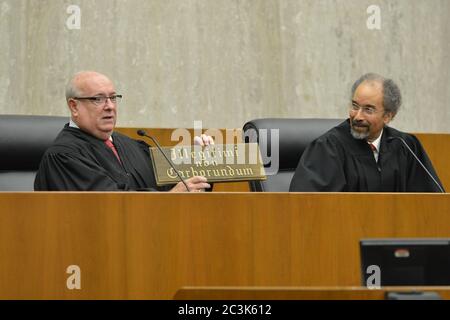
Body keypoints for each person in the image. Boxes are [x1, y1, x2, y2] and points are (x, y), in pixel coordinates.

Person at [34, 71, 213, 192]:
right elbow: (110, 206)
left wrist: (197, 162)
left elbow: (171, 185)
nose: (110, 106)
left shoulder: (132, 145)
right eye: (98, 99)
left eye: (113, 97)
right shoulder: (64, 157)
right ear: (74, 106)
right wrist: (169, 199)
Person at [289, 73, 444, 192]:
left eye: (368, 110)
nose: (357, 116)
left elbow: (432, 204)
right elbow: (307, 207)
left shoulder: (405, 146)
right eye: (355, 106)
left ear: (388, 116)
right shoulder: (328, 148)